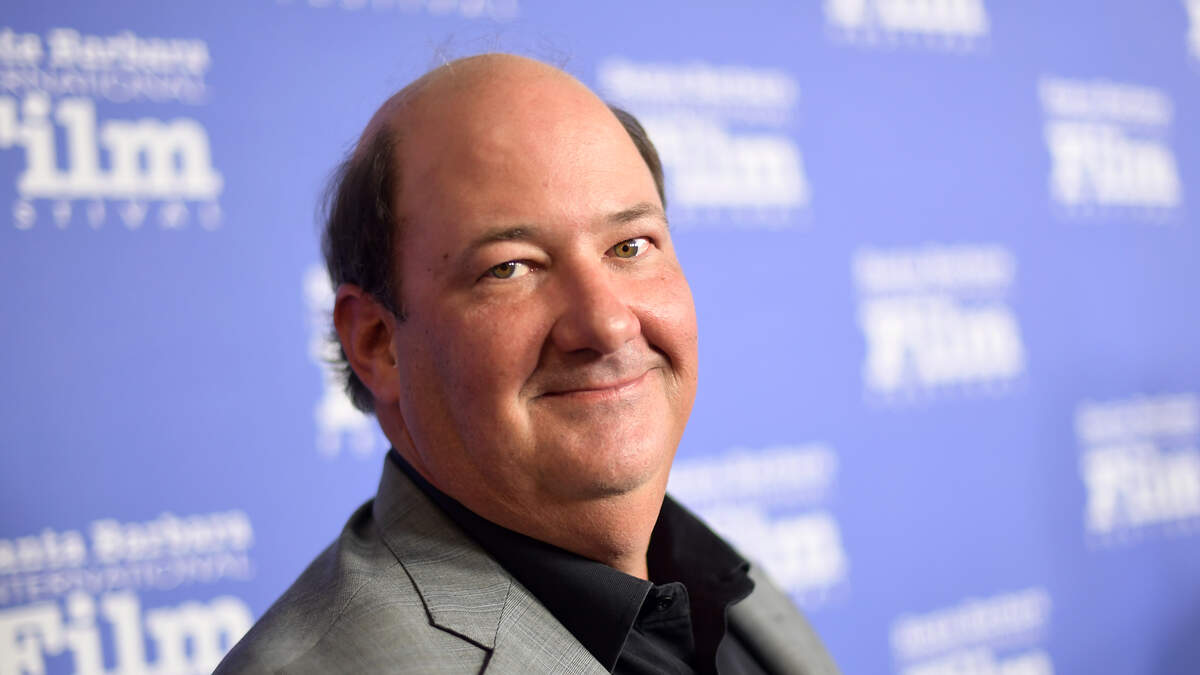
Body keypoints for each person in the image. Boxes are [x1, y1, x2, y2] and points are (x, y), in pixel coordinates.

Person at [216, 53, 839, 675]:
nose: (607, 324)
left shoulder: (729, 592)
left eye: (629, 246)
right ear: (378, 343)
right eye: (510, 267)